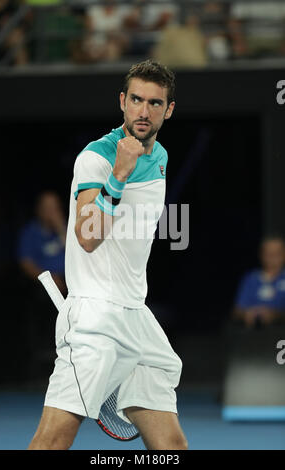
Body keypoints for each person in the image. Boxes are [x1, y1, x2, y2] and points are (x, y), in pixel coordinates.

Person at [28, 60, 188, 450]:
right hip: (95, 320)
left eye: (154, 103)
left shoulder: (162, 157)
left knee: (172, 448)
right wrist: (119, 174)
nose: (143, 111)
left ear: (168, 110)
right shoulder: (97, 158)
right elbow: (86, 237)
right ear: (122, 101)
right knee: (52, 442)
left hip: (136, 316)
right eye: (136, 99)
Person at [17, 190, 67, 380]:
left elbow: (80, 254)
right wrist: (49, 280)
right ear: (38, 210)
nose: (51, 211)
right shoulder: (30, 232)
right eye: (47, 208)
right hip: (42, 288)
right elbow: (26, 263)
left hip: (70, 286)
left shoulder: (68, 229)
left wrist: (61, 228)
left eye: (54, 207)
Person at [232, 235, 285, 328]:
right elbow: (237, 310)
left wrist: (274, 315)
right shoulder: (251, 278)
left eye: (277, 253)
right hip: (255, 335)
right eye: (268, 253)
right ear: (261, 255)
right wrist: (246, 314)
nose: (272, 257)